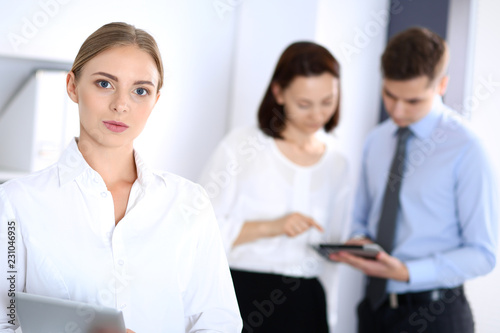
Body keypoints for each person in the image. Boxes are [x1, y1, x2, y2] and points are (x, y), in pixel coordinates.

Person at [0, 22, 242, 332]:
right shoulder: (16, 204)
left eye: (140, 90)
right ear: (73, 86)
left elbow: (218, 322)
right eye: (104, 84)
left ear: (155, 99)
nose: (121, 105)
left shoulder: (188, 202)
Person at [330, 27, 498, 333]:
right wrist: (359, 242)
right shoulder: (377, 141)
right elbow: (362, 220)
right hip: (374, 311)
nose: (397, 110)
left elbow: (483, 255)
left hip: (436, 315)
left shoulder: (467, 148)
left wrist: (408, 271)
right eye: (389, 95)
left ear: (442, 85)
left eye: (413, 101)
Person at [199, 41, 350, 332]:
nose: (317, 115)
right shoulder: (242, 146)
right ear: (278, 93)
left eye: (328, 102)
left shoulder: (338, 164)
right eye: (304, 104)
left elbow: (332, 252)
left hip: (308, 304)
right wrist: (272, 227)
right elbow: (199, 230)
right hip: (244, 294)